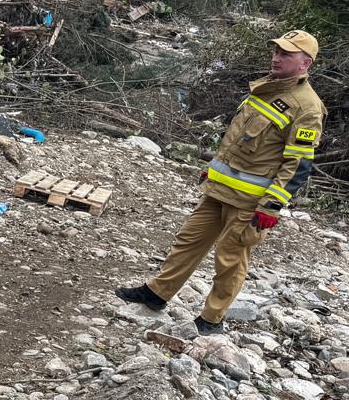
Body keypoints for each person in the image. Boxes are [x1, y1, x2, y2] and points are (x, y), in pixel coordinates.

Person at [117, 29, 325, 333]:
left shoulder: (307, 107)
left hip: (249, 202)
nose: (276, 58)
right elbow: (237, 139)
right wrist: (212, 170)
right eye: (276, 51)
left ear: (305, 63)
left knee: (230, 260)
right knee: (188, 241)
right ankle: (156, 293)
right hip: (219, 190)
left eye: (285, 54)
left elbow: (298, 164)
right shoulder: (266, 89)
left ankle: (212, 319)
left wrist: (271, 206)